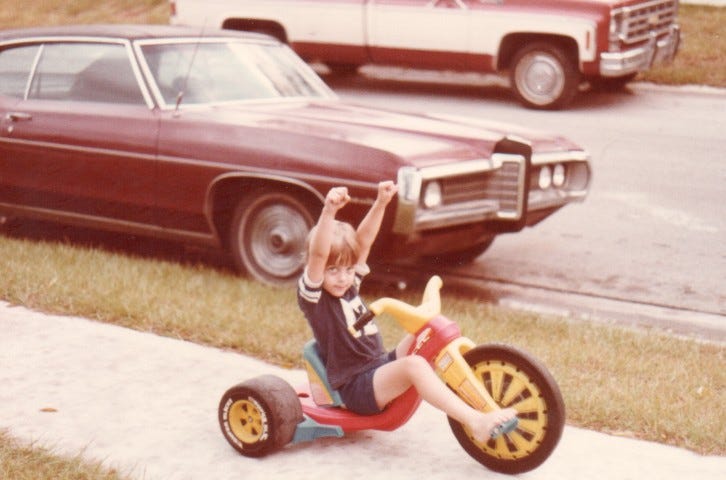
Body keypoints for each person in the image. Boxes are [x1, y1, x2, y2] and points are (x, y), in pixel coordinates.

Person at [297, 182, 517, 442]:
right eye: (332, 270)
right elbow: (319, 253)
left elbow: (363, 242)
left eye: (347, 269)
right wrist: (329, 211)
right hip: (357, 387)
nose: (343, 278)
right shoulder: (316, 299)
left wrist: (381, 202)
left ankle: (484, 401)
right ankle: (475, 422)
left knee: (428, 331)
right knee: (414, 366)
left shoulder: (349, 287)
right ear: (318, 269)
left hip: (378, 366)